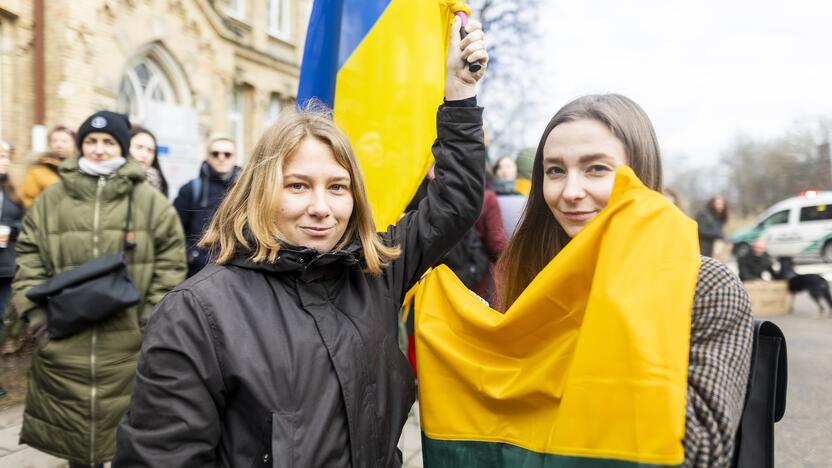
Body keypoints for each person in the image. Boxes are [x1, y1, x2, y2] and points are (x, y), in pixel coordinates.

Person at [113, 17, 488, 467]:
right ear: (261, 189)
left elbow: (454, 203)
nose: (321, 207)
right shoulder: (197, 311)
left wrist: (461, 95)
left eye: (337, 187)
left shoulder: (376, 271)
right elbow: (162, 457)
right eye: (297, 185)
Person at [495, 94, 753, 467]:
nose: (570, 192)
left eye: (596, 168)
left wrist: (622, 296)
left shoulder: (708, 286)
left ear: (641, 176)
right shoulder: (534, 275)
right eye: (554, 171)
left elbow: (701, 454)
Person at [12, 110, 187, 467]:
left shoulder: (149, 201)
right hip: (64, 338)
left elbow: (172, 261)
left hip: (128, 343)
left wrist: (150, 318)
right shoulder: (51, 200)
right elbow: (27, 257)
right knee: (76, 443)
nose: (100, 149)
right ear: (81, 146)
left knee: (128, 440)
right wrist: (38, 319)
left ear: (121, 147)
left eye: (109, 142)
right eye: (92, 141)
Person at [173, 136, 241, 277]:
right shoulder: (191, 189)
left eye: (227, 154)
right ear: (208, 157)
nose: (221, 158)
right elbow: (175, 231)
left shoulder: (247, 190)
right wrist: (192, 256)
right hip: (198, 271)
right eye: (215, 154)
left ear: (235, 158)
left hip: (236, 269)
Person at [0, 141, 23, 399]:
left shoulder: (11, 192)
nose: (4, 161)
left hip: (4, 267)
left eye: (6, 156)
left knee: (0, 323)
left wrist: (11, 229)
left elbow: (21, 220)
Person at [20, 126, 76, 207]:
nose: (59, 145)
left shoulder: (83, 169)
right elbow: (28, 201)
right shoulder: (37, 170)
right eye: (54, 141)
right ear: (50, 144)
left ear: (74, 144)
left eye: (64, 141)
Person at [129, 126, 169, 197]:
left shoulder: (158, 186)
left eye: (150, 151)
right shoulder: (110, 180)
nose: (145, 154)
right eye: (139, 147)